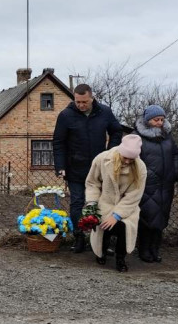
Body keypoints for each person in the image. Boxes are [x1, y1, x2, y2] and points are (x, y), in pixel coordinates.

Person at [53, 83, 124, 251]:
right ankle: (79, 237)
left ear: (91, 98)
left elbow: (116, 131)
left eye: (84, 102)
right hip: (75, 168)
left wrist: (110, 152)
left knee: (101, 204)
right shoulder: (66, 116)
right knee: (77, 202)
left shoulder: (104, 112)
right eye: (78, 102)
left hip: (100, 169)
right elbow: (58, 142)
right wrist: (60, 166)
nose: (81, 105)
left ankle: (100, 240)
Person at [85, 134, 146, 272]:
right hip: (105, 202)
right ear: (120, 151)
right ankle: (101, 252)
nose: (128, 161)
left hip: (127, 207)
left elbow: (134, 195)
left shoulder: (140, 167)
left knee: (125, 227)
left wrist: (117, 215)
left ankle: (120, 258)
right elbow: (92, 183)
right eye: (125, 157)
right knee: (104, 226)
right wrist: (92, 203)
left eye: (132, 159)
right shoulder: (102, 159)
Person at [134, 105, 178, 263]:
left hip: (166, 184)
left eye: (162, 119)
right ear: (147, 121)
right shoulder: (137, 137)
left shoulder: (168, 136)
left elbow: (175, 155)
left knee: (161, 218)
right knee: (146, 217)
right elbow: (132, 159)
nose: (159, 122)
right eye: (156, 119)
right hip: (147, 185)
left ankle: (155, 249)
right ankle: (144, 249)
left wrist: (175, 172)